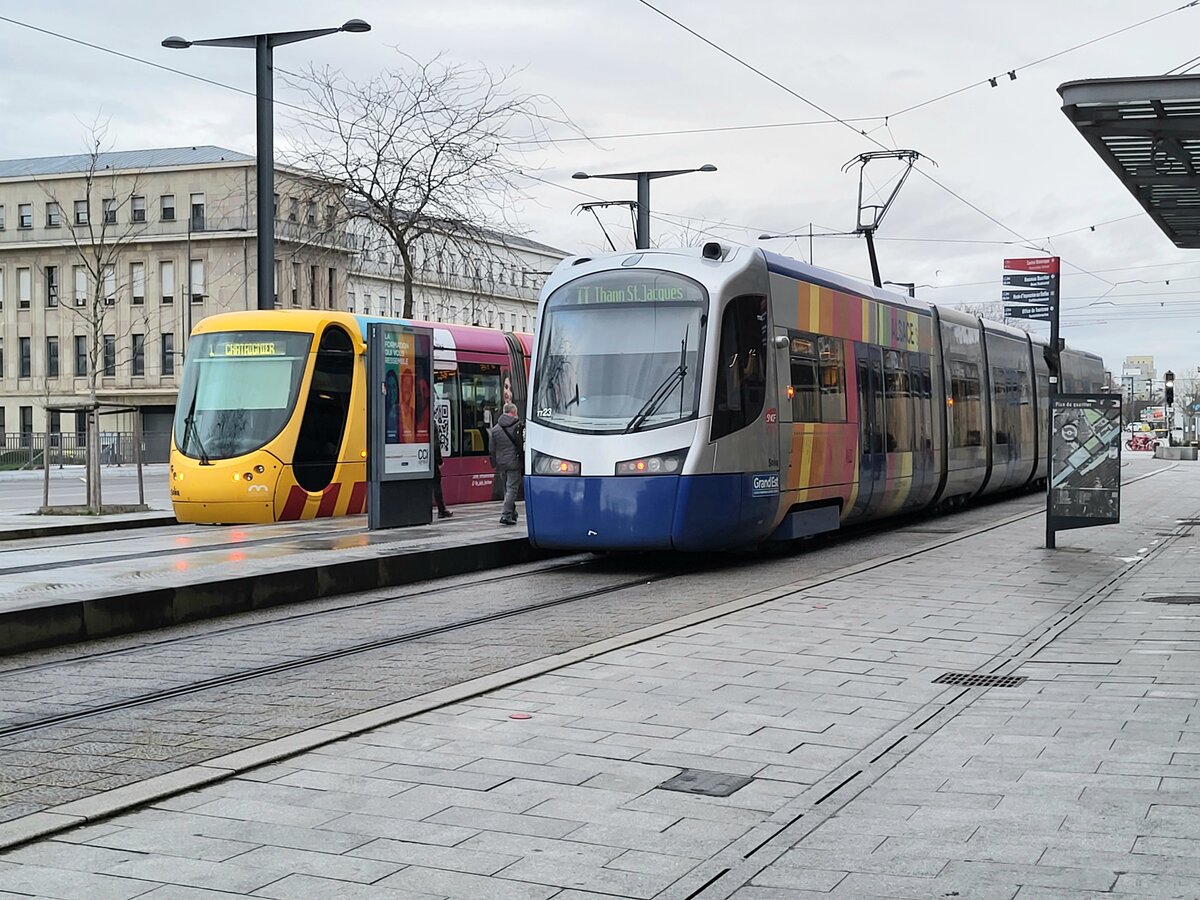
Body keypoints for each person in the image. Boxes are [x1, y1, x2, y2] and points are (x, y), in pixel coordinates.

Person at [489, 401, 523, 525]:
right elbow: (521, 445)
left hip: (501, 464)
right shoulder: (518, 426)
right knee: (512, 489)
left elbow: (491, 448)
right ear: (513, 412)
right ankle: (506, 515)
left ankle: (512, 513)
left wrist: (493, 463)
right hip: (514, 462)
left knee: (507, 490)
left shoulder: (495, 429)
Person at [432, 418, 452, 518]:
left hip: (420, 457)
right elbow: (436, 444)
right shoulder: (431, 422)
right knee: (436, 484)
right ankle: (441, 509)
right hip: (432, 460)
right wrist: (439, 460)